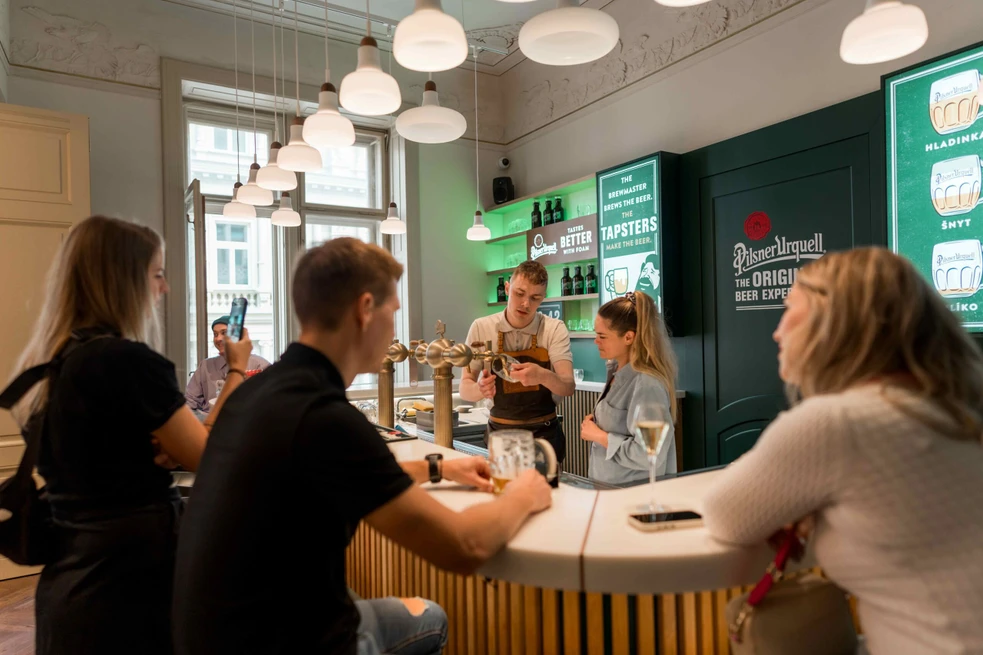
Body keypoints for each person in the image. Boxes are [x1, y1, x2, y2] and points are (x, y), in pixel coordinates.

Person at [172, 238, 552, 655]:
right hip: (285, 641)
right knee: (431, 618)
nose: (394, 332)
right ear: (365, 309)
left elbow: (341, 475)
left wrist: (438, 467)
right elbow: (465, 547)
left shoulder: (259, 390)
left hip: (213, 635)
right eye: (393, 314)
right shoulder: (325, 416)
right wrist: (523, 493)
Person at [702, 247, 983, 655]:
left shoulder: (836, 421)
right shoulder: (956, 407)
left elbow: (724, 514)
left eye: (789, 308)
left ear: (833, 321)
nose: (777, 332)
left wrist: (805, 501)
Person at [8, 215, 253, 655]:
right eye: (157, 274)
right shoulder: (125, 361)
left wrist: (163, 448)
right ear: (123, 281)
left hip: (72, 583)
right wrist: (236, 369)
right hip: (128, 587)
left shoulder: (51, 364)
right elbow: (209, 456)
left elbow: (108, 456)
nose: (165, 288)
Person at [460, 260, 575, 463]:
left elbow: (568, 386)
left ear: (543, 298)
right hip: (500, 435)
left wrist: (542, 376)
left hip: (544, 436)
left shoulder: (554, 329)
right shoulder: (481, 327)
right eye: (519, 294)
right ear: (507, 288)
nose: (525, 304)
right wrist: (481, 389)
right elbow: (464, 388)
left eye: (535, 298)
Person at [580, 291, 677, 485]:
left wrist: (599, 436)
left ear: (628, 337)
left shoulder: (647, 384)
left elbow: (650, 454)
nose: (596, 341)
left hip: (634, 496)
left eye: (602, 336)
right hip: (610, 490)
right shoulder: (616, 372)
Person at [185, 315, 271, 414]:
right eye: (215, 334)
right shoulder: (205, 366)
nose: (218, 338)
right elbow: (190, 402)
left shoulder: (260, 365)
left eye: (224, 333)